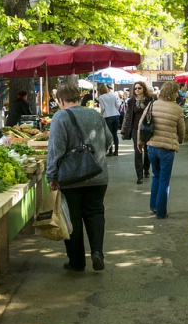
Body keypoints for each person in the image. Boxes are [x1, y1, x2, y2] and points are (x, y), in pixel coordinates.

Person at [46, 83, 113, 272]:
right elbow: (108, 140)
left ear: (60, 100)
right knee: (95, 213)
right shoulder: (96, 115)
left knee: (72, 218)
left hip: (71, 177)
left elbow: (55, 149)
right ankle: (97, 252)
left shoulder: (60, 117)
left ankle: (76, 261)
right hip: (98, 174)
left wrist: (51, 175)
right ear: (79, 97)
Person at [139, 81, 184, 219]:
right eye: (176, 91)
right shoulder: (177, 109)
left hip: (152, 146)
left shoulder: (152, 104)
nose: (178, 94)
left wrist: (140, 142)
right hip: (167, 149)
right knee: (164, 179)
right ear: (172, 93)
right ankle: (161, 211)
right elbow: (181, 130)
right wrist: (180, 140)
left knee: (156, 176)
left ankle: (153, 205)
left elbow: (141, 123)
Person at [121, 81, 153, 184]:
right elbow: (127, 116)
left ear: (144, 89)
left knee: (148, 152)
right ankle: (139, 176)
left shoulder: (150, 100)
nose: (137, 90)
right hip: (135, 129)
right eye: (135, 88)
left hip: (147, 128)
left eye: (139, 88)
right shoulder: (131, 101)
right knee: (138, 152)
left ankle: (146, 169)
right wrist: (123, 130)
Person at [97, 84, 121, 156]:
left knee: (109, 134)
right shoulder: (113, 95)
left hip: (107, 116)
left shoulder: (101, 97)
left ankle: (110, 151)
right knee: (115, 134)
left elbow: (103, 108)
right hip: (116, 115)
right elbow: (117, 106)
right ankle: (116, 151)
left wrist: (100, 114)